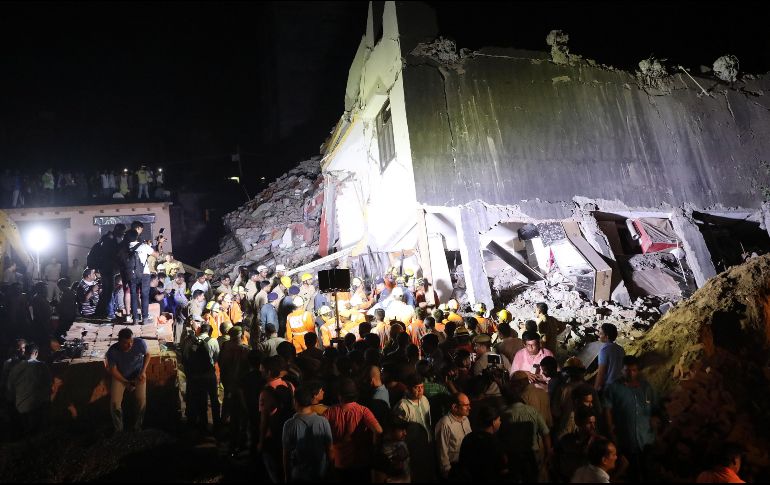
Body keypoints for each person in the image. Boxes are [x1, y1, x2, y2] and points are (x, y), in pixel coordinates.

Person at [603, 355, 657, 483]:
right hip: (625, 438)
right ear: (621, 370)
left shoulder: (646, 387)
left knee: (648, 471)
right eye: (627, 370)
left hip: (646, 438)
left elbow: (654, 409)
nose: (631, 374)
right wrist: (611, 432)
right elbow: (607, 411)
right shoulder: (613, 388)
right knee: (631, 473)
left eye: (634, 370)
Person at [325, 377, 383, 483]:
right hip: (360, 462)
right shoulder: (363, 411)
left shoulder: (329, 412)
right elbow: (378, 431)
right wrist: (375, 448)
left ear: (339, 395)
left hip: (338, 463)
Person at [499, 372, 553, 483]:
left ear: (519, 383)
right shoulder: (543, 393)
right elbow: (547, 426)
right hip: (539, 446)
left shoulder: (522, 398)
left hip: (521, 451)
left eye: (513, 384)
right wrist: (549, 451)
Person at [281, 385, 334, 483]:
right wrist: (331, 469)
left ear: (295, 401)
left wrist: (287, 476)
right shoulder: (323, 421)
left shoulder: (289, 424)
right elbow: (329, 448)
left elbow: (286, 454)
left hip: (299, 474)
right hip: (319, 471)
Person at [105, 328, 150, 432]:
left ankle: (137, 427)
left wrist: (143, 372)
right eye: (126, 343)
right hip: (120, 377)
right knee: (115, 403)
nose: (130, 345)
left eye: (131, 342)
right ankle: (119, 429)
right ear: (119, 341)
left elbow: (147, 355)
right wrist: (126, 382)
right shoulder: (112, 351)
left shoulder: (140, 343)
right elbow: (113, 370)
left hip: (138, 375)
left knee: (141, 400)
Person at [183, 322, 220, 433]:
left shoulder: (190, 341)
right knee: (214, 398)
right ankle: (217, 424)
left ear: (200, 330)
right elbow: (217, 357)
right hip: (209, 374)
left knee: (200, 398)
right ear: (210, 332)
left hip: (195, 375)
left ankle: (201, 423)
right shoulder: (213, 341)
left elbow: (185, 357)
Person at [6, 342, 52, 434]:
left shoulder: (16, 368)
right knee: (37, 432)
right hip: (37, 405)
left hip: (20, 406)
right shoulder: (42, 366)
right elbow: (49, 384)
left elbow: (10, 387)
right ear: (36, 353)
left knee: (26, 431)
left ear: (25, 353)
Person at [457, 404, 507, 482]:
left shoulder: (468, 438)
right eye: (499, 420)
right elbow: (502, 469)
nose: (500, 422)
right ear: (493, 422)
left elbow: (462, 464)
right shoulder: (494, 442)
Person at [435, 392, 472, 479]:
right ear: (454, 407)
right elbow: (442, 452)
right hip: (454, 469)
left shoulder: (465, 419)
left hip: (466, 465)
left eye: (469, 404)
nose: (469, 408)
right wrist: (447, 473)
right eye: (466, 405)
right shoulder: (445, 424)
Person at [372, 416, 411, 483]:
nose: (405, 433)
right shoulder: (381, 455)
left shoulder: (402, 447)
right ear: (390, 430)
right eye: (401, 430)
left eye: (405, 430)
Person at [594, 323, 625, 392]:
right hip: (621, 385)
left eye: (601, 333)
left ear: (606, 336)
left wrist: (595, 390)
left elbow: (601, 372)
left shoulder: (604, 350)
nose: (599, 335)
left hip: (609, 387)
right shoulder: (621, 349)